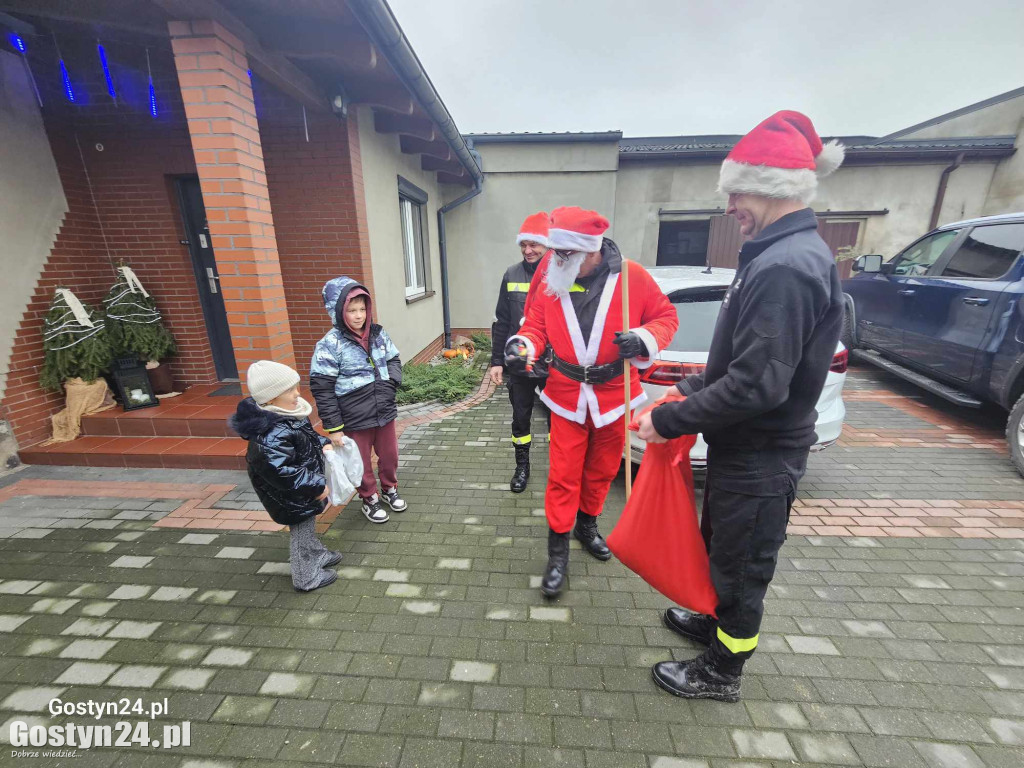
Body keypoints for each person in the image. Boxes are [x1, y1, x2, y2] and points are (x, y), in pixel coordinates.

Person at [637, 111, 846, 702]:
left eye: (736, 191)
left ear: (773, 186)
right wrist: (690, 386)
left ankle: (721, 672)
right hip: (743, 449)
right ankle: (712, 620)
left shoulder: (785, 267)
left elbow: (757, 386)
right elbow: (738, 362)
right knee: (722, 550)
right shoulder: (775, 254)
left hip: (761, 455)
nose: (729, 205)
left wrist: (668, 418)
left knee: (744, 568)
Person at [505, 206, 678, 597]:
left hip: (615, 395)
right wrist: (524, 345)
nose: (555, 260)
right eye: (556, 253)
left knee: (601, 471)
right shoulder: (552, 271)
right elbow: (534, 323)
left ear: (590, 251)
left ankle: (588, 525)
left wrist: (644, 338)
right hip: (566, 395)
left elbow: (666, 317)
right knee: (563, 475)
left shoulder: (632, 277)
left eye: (565, 254)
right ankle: (558, 554)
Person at [230, 360, 340, 593]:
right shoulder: (269, 435)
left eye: (296, 386)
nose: (297, 393)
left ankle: (317, 554)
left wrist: (323, 443)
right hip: (291, 495)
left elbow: (306, 439)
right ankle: (306, 577)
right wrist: (316, 485)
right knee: (300, 533)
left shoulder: (290, 415)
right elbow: (282, 472)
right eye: (289, 390)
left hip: (301, 491)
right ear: (270, 398)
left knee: (308, 525)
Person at [310, 277, 406, 524]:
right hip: (353, 417)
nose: (358, 316)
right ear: (338, 310)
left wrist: (391, 382)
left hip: (384, 410)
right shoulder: (329, 345)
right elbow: (323, 389)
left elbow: (394, 359)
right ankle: (370, 498)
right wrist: (334, 428)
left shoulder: (378, 333)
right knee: (360, 462)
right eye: (351, 310)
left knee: (390, 456)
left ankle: (389, 488)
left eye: (362, 309)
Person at [489, 212, 551, 493]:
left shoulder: (562, 274)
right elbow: (502, 321)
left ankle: (559, 469)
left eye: (534, 244)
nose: (528, 250)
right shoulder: (511, 274)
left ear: (547, 245)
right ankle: (522, 467)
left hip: (554, 365)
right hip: (519, 364)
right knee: (520, 418)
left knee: (558, 422)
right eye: (524, 245)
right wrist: (496, 361)